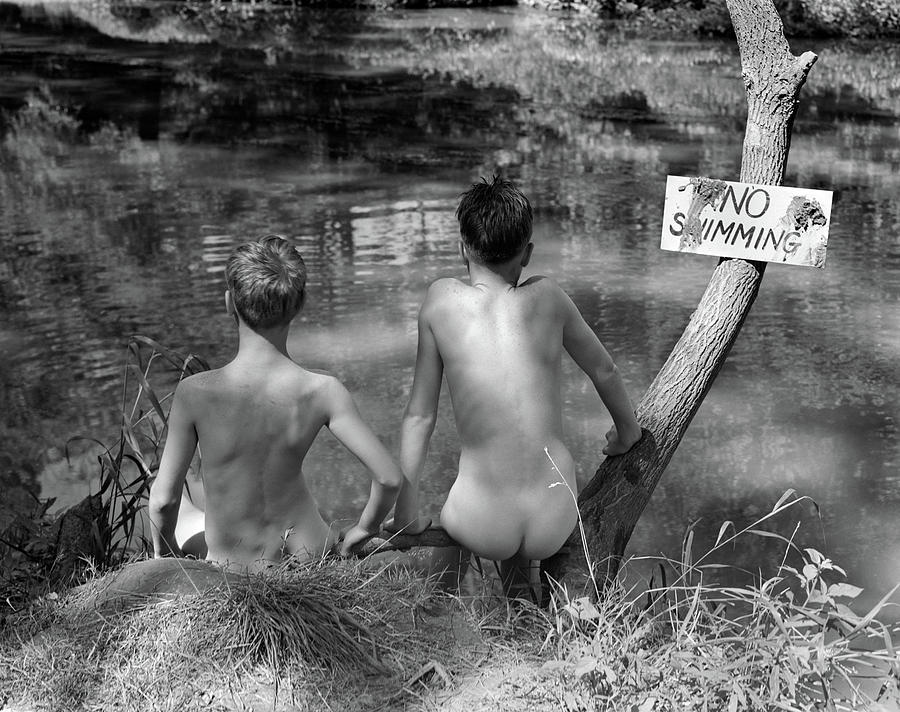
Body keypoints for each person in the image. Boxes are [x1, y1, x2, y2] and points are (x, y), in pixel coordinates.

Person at [387, 176, 642, 599]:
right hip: (555, 517)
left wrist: (406, 513)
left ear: (462, 248)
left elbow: (420, 416)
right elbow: (606, 371)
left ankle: (431, 610)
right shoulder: (550, 298)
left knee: (460, 511)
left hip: (482, 521)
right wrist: (628, 432)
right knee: (520, 467)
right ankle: (522, 608)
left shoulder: (440, 301)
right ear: (527, 254)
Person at [149, 235, 403, 571]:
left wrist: (165, 560)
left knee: (181, 500)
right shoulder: (324, 390)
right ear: (300, 304)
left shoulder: (194, 393)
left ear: (229, 303)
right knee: (202, 485)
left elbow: (163, 502)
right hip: (309, 552)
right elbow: (388, 479)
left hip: (233, 563)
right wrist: (363, 530)